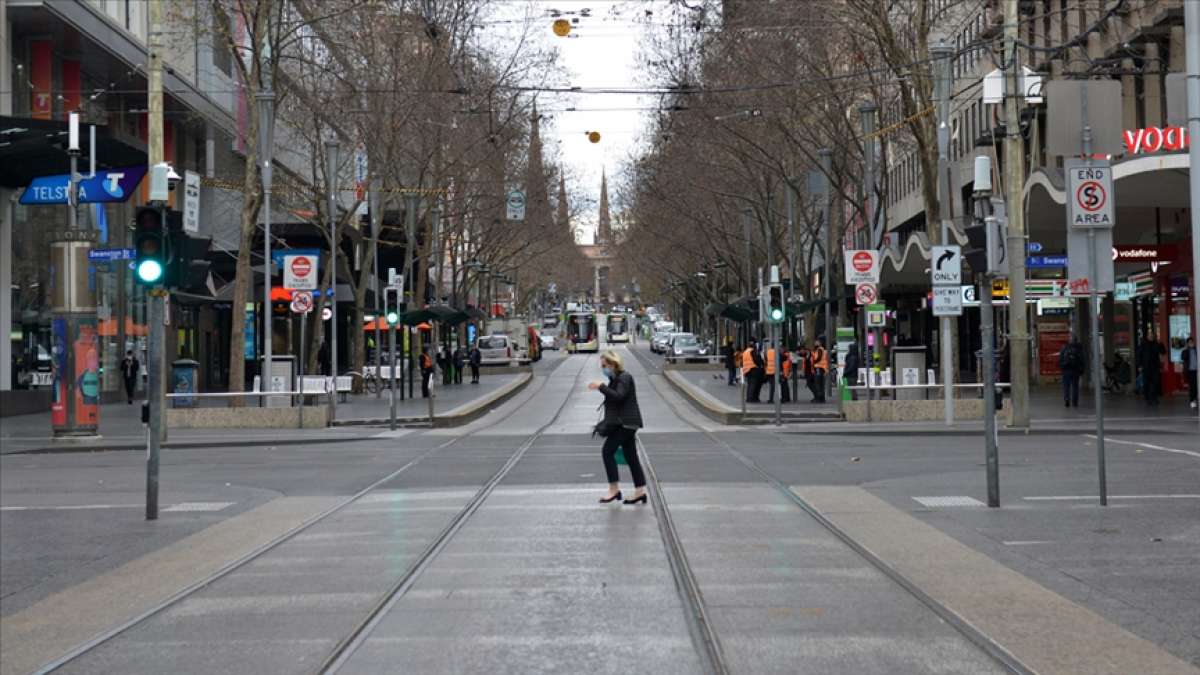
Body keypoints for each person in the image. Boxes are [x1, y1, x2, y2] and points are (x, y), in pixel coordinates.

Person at [588, 350, 647, 505]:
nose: (603, 369)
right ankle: (640, 491)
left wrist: (601, 387)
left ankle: (614, 490)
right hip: (626, 423)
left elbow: (619, 396)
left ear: (613, 364)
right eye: (602, 366)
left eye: (604, 365)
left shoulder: (624, 378)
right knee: (630, 456)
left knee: (607, 451)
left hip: (626, 423)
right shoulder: (616, 379)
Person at [1058, 334, 1085, 407]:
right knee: (1075, 386)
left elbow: (1060, 358)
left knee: (1066, 386)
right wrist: (1082, 369)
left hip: (1066, 370)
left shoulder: (1065, 347)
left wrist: (1062, 367)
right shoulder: (1079, 348)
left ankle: (1067, 398)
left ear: (1070, 340)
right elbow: (1082, 359)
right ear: (1076, 340)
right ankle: (1075, 401)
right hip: (1075, 370)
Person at [1139, 333, 1166, 405]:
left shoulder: (1156, 344)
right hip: (1146, 367)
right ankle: (1148, 398)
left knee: (1155, 382)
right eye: (1150, 336)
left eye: (1152, 336)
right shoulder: (1143, 345)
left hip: (1155, 367)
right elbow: (1139, 355)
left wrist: (1161, 344)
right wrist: (1140, 366)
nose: (1151, 337)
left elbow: (1163, 352)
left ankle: (1153, 398)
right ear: (1147, 337)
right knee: (1146, 383)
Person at [811, 338, 829, 403]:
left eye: (816, 342)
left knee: (818, 383)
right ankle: (821, 398)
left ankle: (819, 398)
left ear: (820, 343)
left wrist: (814, 362)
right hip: (821, 368)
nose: (815, 343)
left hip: (819, 367)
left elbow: (818, 358)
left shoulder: (819, 349)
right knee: (820, 384)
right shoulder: (820, 349)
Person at [1182, 336, 1197, 409]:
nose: (1191, 343)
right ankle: (1192, 400)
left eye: (1192, 342)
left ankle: (1195, 399)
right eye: (1190, 342)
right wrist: (1186, 349)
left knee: (1196, 386)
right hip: (1190, 371)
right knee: (1192, 386)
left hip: (1197, 371)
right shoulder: (1185, 351)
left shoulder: (1196, 350)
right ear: (1187, 343)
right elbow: (1183, 357)